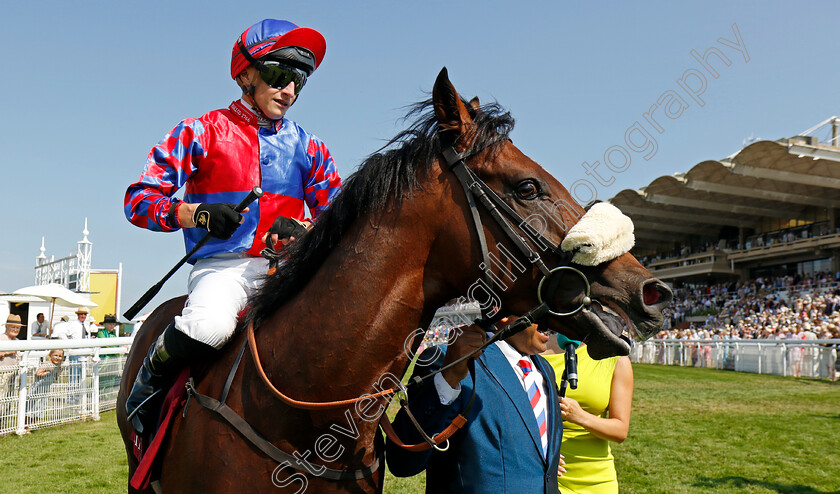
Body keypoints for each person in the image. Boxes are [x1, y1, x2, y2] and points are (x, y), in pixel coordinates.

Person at [122, 19, 341, 434]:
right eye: (279, 75)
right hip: (224, 269)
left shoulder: (311, 147)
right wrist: (196, 214)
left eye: (299, 81)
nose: (290, 91)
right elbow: (138, 200)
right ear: (245, 74)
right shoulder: (200, 131)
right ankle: (147, 385)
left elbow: (339, 217)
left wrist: (306, 229)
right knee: (210, 327)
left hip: (289, 271)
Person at [386, 320, 564, 493]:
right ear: (502, 313)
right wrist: (448, 379)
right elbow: (403, 463)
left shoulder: (545, 369)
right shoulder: (453, 359)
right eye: (539, 304)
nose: (551, 318)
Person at [541, 336, 634, 494]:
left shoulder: (614, 357)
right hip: (543, 474)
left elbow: (620, 431)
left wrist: (579, 416)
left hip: (596, 480)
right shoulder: (534, 349)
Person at [25, 349, 65, 425]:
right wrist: (48, 372)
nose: (57, 357)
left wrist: (58, 372)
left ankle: (32, 425)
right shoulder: (47, 364)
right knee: (31, 408)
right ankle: (26, 425)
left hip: (45, 390)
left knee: (39, 408)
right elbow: (37, 373)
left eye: (60, 356)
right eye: (55, 355)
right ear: (50, 355)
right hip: (37, 389)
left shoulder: (57, 366)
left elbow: (54, 378)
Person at [0, 315, 24, 404]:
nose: (15, 330)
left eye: (17, 328)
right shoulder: (1, 338)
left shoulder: (17, 341)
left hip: (13, 374)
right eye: (13, 327)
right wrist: (8, 352)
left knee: (9, 399)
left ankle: (4, 417)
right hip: (1, 374)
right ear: (6, 326)